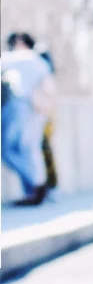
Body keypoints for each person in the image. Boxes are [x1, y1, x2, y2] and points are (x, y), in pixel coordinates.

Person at [1, 32, 55, 206]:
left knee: (7, 150)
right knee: (29, 149)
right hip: (39, 109)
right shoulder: (40, 60)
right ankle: (33, 191)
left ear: (20, 43)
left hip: (23, 106)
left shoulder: (23, 57)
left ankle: (38, 186)